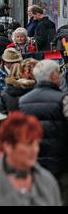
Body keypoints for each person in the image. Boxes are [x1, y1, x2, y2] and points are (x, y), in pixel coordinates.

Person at [19, 59, 68, 203]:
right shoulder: (63, 99)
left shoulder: (23, 101)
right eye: (58, 74)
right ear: (53, 76)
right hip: (62, 161)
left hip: (36, 162)